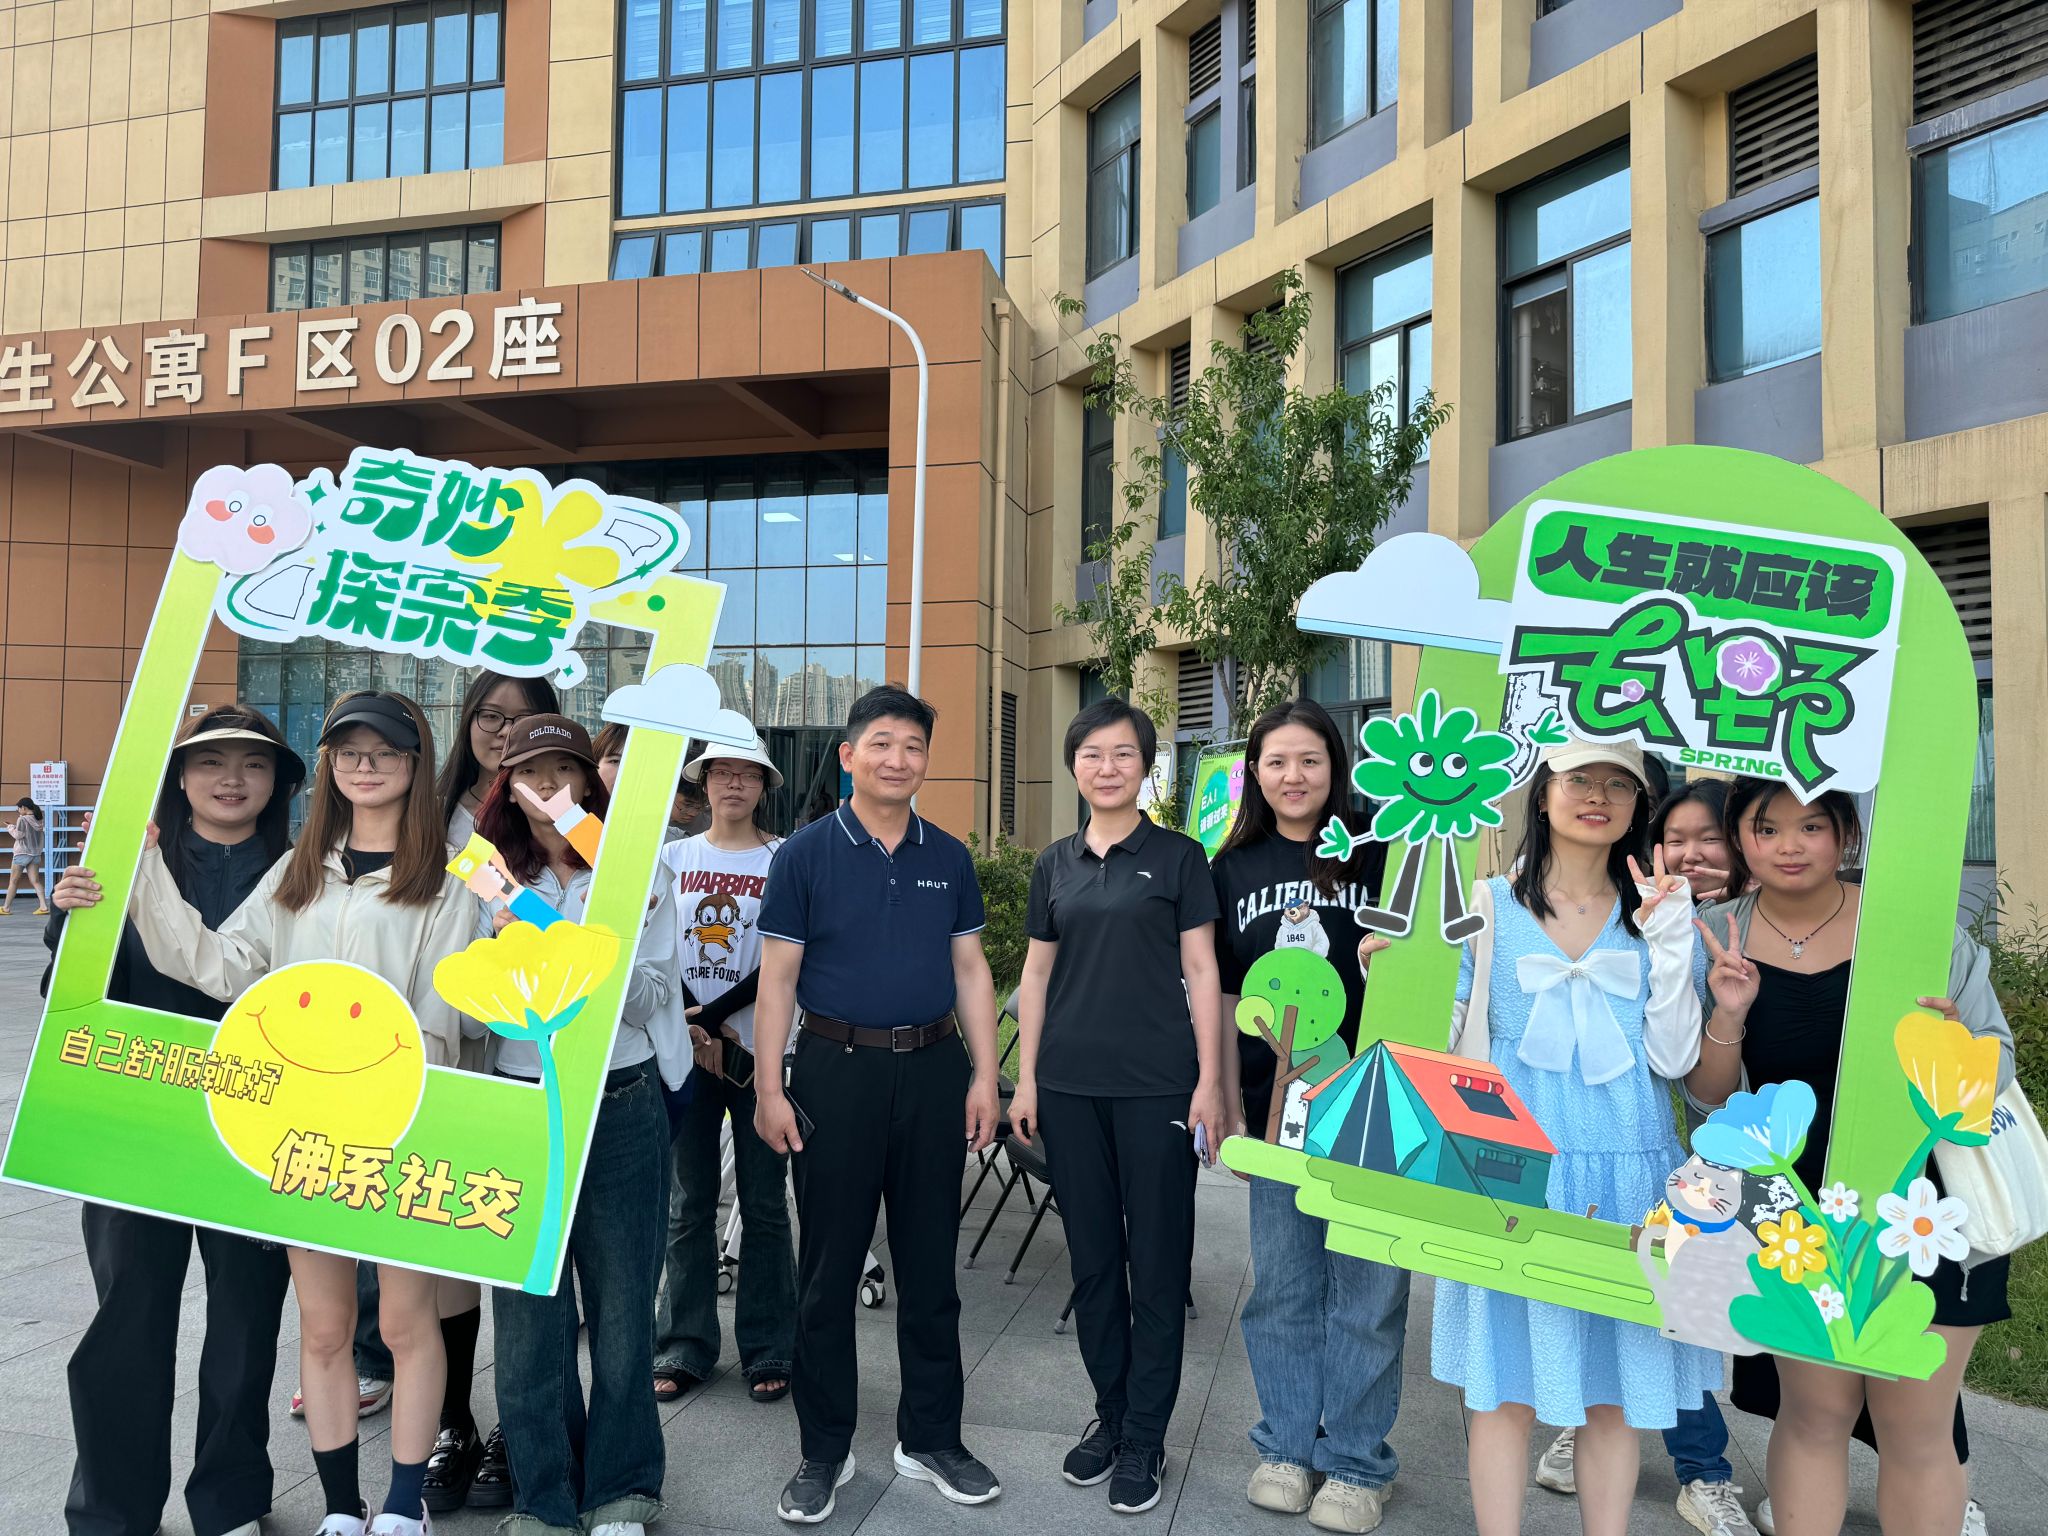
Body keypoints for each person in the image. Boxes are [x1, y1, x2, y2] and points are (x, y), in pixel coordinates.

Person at [72, 690, 478, 1536]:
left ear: (417, 765)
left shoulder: (449, 879)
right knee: (324, 1328)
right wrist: (138, 869)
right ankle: (340, 1508)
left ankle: (403, 1508)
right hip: (302, 1132)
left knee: (405, 1322)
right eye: (350, 751)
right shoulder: (298, 870)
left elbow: (448, 1015)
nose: (366, 766)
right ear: (329, 765)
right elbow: (223, 965)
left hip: (403, 1126)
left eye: (387, 752)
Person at [1688, 780, 2013, 1536]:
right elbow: (1707, 1102)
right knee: (1814, 1412)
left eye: (1811, 826)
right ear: (1740, 838)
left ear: (1845, 834)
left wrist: (1953, 1047)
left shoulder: (1914, 930)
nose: (1789, 846)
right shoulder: (1717, 934)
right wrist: (1729, 1013)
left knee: (1916, 1424)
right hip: (1795, 1213)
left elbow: (1997, 1066)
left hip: (1927, 1208)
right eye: (1767, 828)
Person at [1433, 737, 1720, 1536]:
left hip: (1629, 1173)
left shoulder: (1659, 913)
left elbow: (1674, 1058)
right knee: (1503, 1390)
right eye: (1579, 779)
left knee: (1615, 1395)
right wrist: (1394, 971)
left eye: (1618, 785)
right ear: (1543, 792)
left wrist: (1671, 938)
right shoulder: (1487, 905)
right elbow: (1448, 1038)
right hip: (1510, 1166)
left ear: (1639, 806)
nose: (1598, 796)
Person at [48, 706, 305, 1536]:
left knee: (245, 1324)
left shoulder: (305, 876)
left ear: (280, 784)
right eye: (210, 762)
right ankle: (112, 1506)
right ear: (180, 777)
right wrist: (70, 913)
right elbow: (67, 993)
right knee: (127, 1316)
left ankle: (229, 1501)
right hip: (140, 1122)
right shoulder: (126, 862)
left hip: (255, 1126)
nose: (232, 779)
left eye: (254, 764)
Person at [752, 685, 1003, 1524]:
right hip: (835, 1070)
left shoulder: (948, 856)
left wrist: (984, 1075)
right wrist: (769, 1088)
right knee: (827, 1273)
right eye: (883, 744)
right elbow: (777, 980)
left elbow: (970, 969)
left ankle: (931, 1438)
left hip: (934, 1070)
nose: (900, 760)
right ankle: (824, 1451)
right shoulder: (805, 855)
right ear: (849, 755)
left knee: (931, 1268)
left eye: (914, 747)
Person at [463, 713, 687, 1536]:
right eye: (530, 771)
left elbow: (657, 994)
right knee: (529, 1316)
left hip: (621, 1098)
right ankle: (544, 1495)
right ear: (508, 784)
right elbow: (469, 1008)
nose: (547, 784)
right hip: (522, 1101)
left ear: (589, 782)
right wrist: (508, 954)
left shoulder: (636, 866)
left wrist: (591, 951)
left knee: (624, 1307)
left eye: (564, 769)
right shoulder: (484, 874)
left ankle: (623, 1486)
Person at [1010, 697, 1225, 1516]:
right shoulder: (1054, 864)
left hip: (1159, 1087)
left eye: (1124, 754)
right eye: (1093, 754)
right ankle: (1111, 1415)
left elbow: (1202, 971)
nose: (1108, 767)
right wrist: (1028, 1080)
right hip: (1068, 1087)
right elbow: (1035, 975)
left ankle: (1145, 1435)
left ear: (1145, 766)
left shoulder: (1179, 857)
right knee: (1095, 1261)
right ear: (1075, 767)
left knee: (1158, 1264)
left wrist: (1209, 1082)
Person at [1537, 776, 1757, 1536]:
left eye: (1710, 838)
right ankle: (1618, 1430)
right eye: (1675, 840)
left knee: (1682, 1306)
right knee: (1643, 1295)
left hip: (1742, 1134)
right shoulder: (1647, 913)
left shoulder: (1744, 918)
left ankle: (1699, 1466)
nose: (1691, 854)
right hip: (1666, 1134)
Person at [1210, 699, 1405, 1534]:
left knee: (1368, 1294)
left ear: (1336, 767)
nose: (1294, 776)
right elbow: (1222, 996)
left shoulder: (1382, 848)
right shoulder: (1231, 867)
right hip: (1276, 1109)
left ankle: (1358, 1463)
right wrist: (1225, 1099)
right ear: (1254, 773)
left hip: (1380, 1107)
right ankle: (1286, 1448)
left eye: (1311, 760)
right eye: (1277, 762)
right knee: (1284, 1286)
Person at [411, 669, 557, 1512]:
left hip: (521, 1060)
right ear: (466, 721)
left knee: (521, 1247)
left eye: (525, 719)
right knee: (449, 1246)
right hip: (438, 1054)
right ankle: (455, 1422)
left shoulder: (559, 820)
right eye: (491, 716)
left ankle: (519, 1425)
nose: (504, 733)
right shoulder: (430, 818)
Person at [653, 735, 795, 1405]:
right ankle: (684, 1344)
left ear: (764, 786)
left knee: (764, 1202)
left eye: (748, 774)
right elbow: (652, 947)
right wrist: (694, 1024)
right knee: (688, 1203)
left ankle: (769, 1345)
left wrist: (714, 1019)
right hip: (683, 1049)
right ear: (703, 783)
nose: (734, 784)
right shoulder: (672, 858)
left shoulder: (784, 858)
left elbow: (786, 955)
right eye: (722, 773)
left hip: (759, 1049)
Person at [5, 795, 48, 914]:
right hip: (35, 854)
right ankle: (44, 907)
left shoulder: (22, 819)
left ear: (23, 807)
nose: (18, 811)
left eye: (18, 808)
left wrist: (10, 827)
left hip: (22, 853)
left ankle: (6, 908)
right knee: (35, 881)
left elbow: (18, 835)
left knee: (13, 881)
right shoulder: (39, 818)